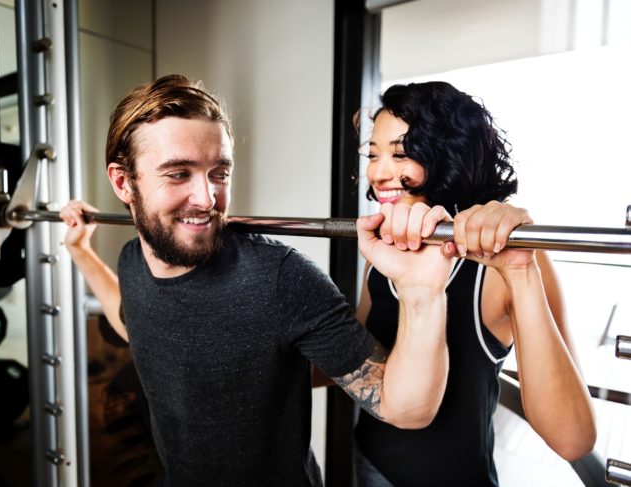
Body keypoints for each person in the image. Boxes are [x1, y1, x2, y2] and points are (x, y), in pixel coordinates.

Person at [60, 74, 458, 486]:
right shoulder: (132, 262)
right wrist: (80, 251)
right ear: (124, 182)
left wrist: (421, 290)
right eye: (178, 174)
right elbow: (135, 323)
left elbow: (405, 407)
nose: (207, 198)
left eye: (219, 173)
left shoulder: (279, 278)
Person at [351, 81, 597, 486]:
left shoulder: (503, 270)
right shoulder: (380, 259)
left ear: (448, 153)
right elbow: (359, 361)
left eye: (400, 153)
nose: (378, 173)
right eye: (374, 155)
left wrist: (521, 272)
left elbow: (574, 439)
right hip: (370, 466)